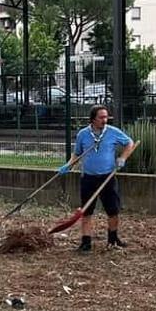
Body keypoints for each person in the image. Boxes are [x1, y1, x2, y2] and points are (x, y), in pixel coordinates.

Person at [59, 104, 136, 252]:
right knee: (86, 211)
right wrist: (68, 165)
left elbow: (129, 143)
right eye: (101, 117)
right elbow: (77, 154)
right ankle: (86, 242)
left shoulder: (113, 132)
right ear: (93, 119)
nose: (105, 120)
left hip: (108, 178)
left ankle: (113, 239)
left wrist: (122, 158)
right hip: (88, 178)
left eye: (106, 117)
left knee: (113, 210)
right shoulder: (83, 134)